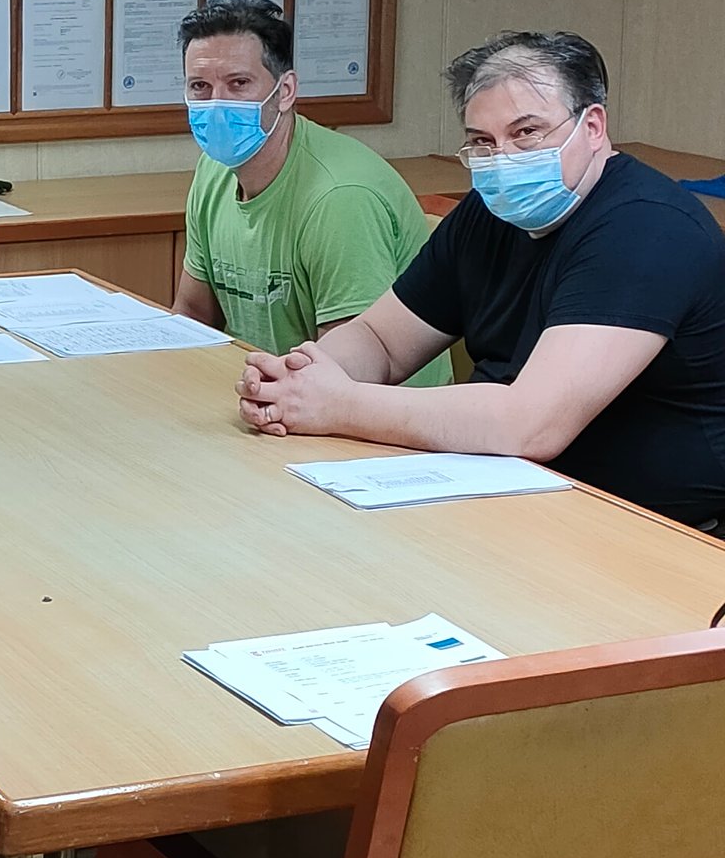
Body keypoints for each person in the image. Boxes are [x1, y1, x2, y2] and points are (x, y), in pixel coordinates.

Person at [239, 28, 725, 527]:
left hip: (648, 524)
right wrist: (298, 379)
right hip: (504, 488)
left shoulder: (648, 228)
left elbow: (531, 425)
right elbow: (382, 341)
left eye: (527, 132)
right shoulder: (490, 212)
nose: (503, 159)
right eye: (482, 142)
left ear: (593, 126)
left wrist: (341, 404)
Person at [174, 0, 450, 382]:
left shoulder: (340, 197)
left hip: (373, 409)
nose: (217, 103)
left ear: (285, 91)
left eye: (239, 83)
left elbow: (348, 377)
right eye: (200, 86)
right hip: (263, 390)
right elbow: (192, 314)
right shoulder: (214, 169)